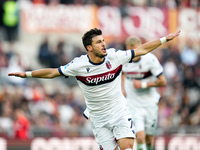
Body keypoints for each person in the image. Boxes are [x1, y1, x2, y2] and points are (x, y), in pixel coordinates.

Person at [8, 28, 180, 150]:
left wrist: (165, 39)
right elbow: (53, 72)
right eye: (99, 42)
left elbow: (141, 49)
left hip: (119, 112)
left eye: (103, 41)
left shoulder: (115, 57)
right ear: (89, 48)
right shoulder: (78, 65)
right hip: (98, 119)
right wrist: (27, 74)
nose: (104, 44)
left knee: (127, 148)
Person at [121, 36, 166, 150]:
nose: (133, 53)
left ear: (141, 48)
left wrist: (143, 85)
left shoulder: (150, 59)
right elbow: (121, 73)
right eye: (130, 51)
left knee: (149, 140)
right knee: (140, 137)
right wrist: (122, 88)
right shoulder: (123, 59)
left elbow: (162, 81)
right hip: (133, 104)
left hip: (150, 103)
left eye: (136, 50)